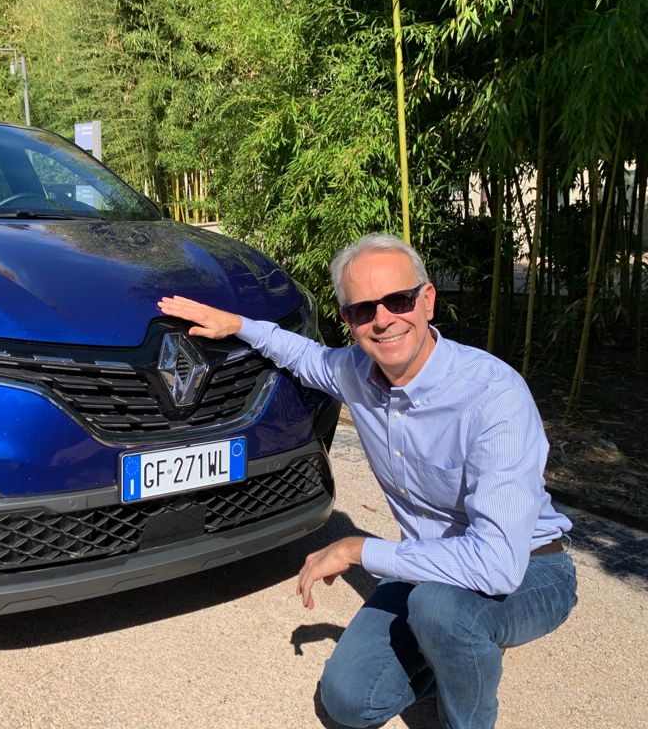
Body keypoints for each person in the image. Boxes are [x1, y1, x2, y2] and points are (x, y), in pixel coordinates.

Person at [157, 233, 577, 729]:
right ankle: (452, 653)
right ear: (349, 322)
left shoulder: (492, 396)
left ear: (427, 300)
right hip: (428, 568)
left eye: (398, 300)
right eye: (362, 310)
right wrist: (239, 326)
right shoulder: (359, 370)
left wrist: (359, 550)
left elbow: (497, 564)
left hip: (530, 569)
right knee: (349, 702)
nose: (383, 319)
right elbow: (305, 357)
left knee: (441, 610)